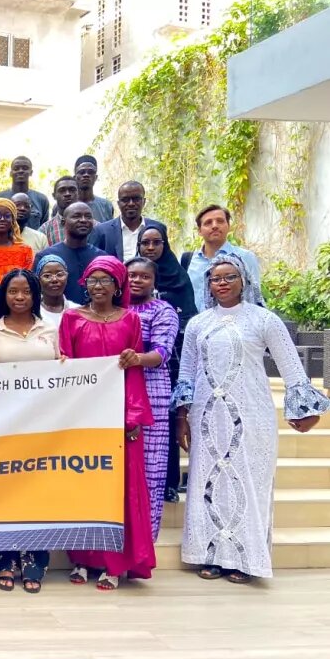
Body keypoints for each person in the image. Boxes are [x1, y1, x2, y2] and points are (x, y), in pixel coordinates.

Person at [180, 256, 329, 583]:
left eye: (229, 277)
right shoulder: (197, 324)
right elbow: (187, 373)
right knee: (209, 481)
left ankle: (244, 559)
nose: (222, 283)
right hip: (206, 416)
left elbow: (291, 365)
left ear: (244, 280)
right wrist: (182, 417)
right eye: (216, 279)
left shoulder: (264, 320)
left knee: (247, 482)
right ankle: (212, 554)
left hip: (251, 415)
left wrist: (306, 410)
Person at [60, 256, 155, 591]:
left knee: (119, 491)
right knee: (84, 487)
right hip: (83, 419)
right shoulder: (70, 319)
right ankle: (83, 560)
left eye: (106, 280)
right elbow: (66, 369)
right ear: (84, 283)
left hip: (119, 420)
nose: (99, 286)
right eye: (93, 280)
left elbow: (134, 371)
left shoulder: (130, 320)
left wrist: (131, 418)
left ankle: (113, 565)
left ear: (118, 286)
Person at [0, 268, 59, 594]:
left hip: (42, 426)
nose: (20, 297)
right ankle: (4, 562)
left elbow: (64, 369)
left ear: (35, 295)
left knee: (36, 495)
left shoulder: (49, 330)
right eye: (13, 292)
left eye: (26, 292)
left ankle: (33, 564)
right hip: (2, 427)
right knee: (2, 495)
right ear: (4, 296)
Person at [137, 221, 198, 502]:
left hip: (171, 360)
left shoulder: (178, 277)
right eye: (144, 243)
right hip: (138, 367)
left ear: (165, 244)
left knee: (169, 420)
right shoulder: (130, 289)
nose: (150, 247)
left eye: (156, 242)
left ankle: (169, 482)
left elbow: (190, 317)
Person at [126, 256, 179, 541]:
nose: (136, 280)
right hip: (117, 391)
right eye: (131, 275)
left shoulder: (164, 311)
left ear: (154, 281)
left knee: (150, 470)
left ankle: (144, 542)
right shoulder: (115, 307)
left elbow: (161, 354)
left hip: (152, 395)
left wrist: (135, 358)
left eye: (143, 276)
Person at [183, 204, 264, 311]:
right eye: (208, 223)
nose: (214, 226)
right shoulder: (187, 260)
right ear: (199, 231)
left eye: (220, 221)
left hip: (235, 323)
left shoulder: (245, 257)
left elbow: (254, 295)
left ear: (228, 226)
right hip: (195, 325)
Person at [34, 202, 104, 305]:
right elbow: (35, 292)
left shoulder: (102, 257)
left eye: (88, 217)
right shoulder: (45, 257)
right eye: (76, 216)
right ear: (63, 222)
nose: (83, 220)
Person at [90, 181, 162, 262]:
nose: (131, 204)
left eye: (136, 199)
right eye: (125, 200)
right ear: (118, 203)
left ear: (144, 201)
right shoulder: (102, 231)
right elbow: (94, 263)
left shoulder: (158, 228)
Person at [0, 198, 34, 285]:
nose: (2, 219)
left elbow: (29, 282)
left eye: (7, 216)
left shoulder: (25, 251)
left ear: (13, 220)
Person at [0, 155, 49, 230]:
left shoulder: (41, 199)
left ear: (31, 172)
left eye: (25, 168)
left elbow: (44, 228)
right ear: (11, 173)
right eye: (16, 168)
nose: (21, 171)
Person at [35, 254, 78, 327]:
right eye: (47, 276)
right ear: (38, 279)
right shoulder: (32, 312)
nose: (54, 280)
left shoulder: (77, 311)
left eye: (60, 274)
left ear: (67, 277)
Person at [39, 176, 80, 246]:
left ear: (79, 193)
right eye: (62, 190)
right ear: (54, 196)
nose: (67, 194)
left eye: (72, 190)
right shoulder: (44, 230)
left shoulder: (94, 226)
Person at [73, 155, 115, 223]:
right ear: (75, 177)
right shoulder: (65, 204)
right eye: (82, 172)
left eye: (90, 172)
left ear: (96, 177)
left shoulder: (106, 206)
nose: (86, 175)